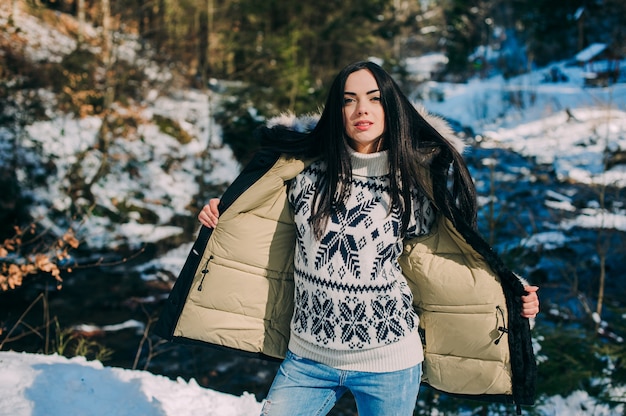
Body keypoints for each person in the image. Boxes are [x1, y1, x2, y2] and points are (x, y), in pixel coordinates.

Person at [155, 61, 539, 416]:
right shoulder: (303, 172)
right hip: (307, 360)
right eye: (349, 100)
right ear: (336, 111)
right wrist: (223, 211)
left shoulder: (412, 183)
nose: (362, 111)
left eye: (375, 99)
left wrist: (512, 293)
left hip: (390, 362)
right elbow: (257, 224)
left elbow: (450, 256)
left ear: (391, 108)